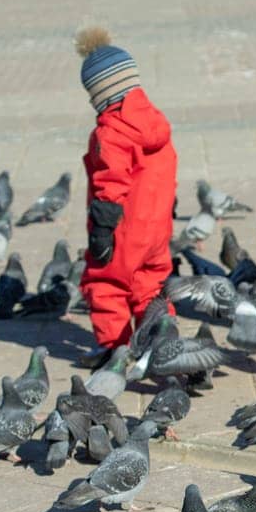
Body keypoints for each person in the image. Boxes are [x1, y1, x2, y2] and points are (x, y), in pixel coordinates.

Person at [75, 27, 178, 354]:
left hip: (123, 228)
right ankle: (167, 348)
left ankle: (114, 351)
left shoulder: (111, 132)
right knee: (151, 285)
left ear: (99, 94)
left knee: (106, 283)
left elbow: (111, 183)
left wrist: (102, 230)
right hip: (157, 226)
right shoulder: (156, 123)